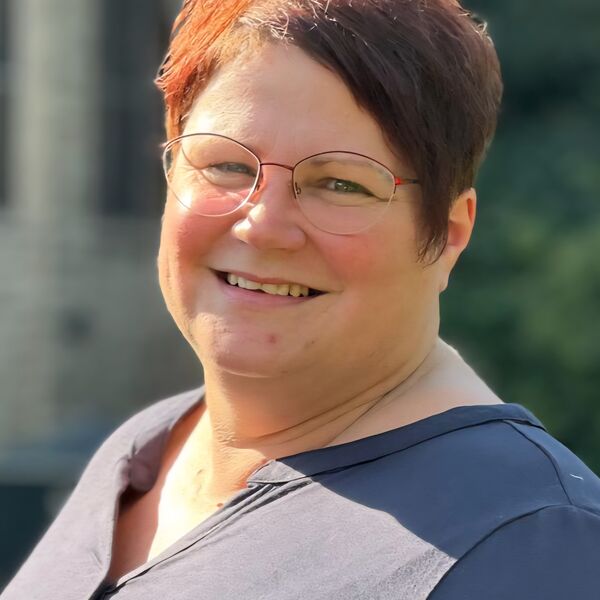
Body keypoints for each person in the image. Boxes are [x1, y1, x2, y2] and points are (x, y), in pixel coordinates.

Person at [3, 0, 600, 598]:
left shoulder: (530, 544)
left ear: (448, 233)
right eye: (227, 164)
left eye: (340, 183)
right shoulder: (140, 454)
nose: (261, 226)